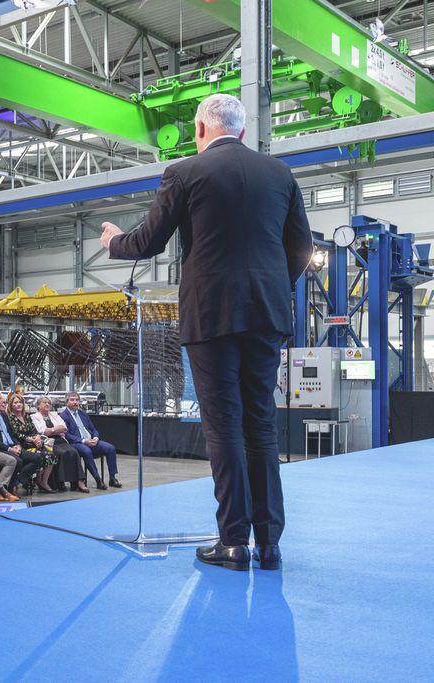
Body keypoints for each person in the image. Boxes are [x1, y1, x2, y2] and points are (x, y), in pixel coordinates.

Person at [100, 94, 313, 571]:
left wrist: (114, 241)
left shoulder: (185, 172)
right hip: (267, 316)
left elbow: (148, 241)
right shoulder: (280, 174)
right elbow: (301, 247)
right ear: (241, 131)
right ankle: (269, 544)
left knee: (223, 426)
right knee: (261, 424)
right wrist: (271, 287)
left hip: (210, 315)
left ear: (200, 129)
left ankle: (233, 542)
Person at [59, 392, 120, 491]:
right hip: (77, 443)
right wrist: (83, 441)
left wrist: (95, 437)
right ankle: (98, 480)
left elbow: (93, 429)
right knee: (86, 451)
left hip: (91, 440)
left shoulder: (83, 413)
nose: (75, 402)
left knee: (110, 448)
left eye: (77, 400)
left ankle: (112, 478)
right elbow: (67, 435)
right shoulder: (63, 416)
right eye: (72, 400)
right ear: (66, 402)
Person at [0, 390, 36, 493]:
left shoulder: (4, 415)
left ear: (3, 401)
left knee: (37, 458)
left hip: (12, 445)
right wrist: (9, 449)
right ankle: (5, 489)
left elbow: (11, 434)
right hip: (0, 448)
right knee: (18, 461)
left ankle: (15, 482)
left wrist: (17, 445)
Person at [5, 394, 57, 493]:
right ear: (11, 405)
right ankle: (23, 481)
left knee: (51, 456)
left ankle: (43, 481)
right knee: (42, 456)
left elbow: (34, 430)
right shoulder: (10, 418)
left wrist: (37, 437)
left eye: (20, 402)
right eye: (16, 403)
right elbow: (16, 434)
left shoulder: (27, 416)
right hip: (21, 445)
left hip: (33, 443)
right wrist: (32, 440)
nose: (19, 404)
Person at [31, 397, 84, 492]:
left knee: (74, 452)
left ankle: (76, 482)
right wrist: (55, 429)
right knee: (61, 453)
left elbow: (64, 428)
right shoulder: (34, 417)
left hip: (61, 440)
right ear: (38, 406)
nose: (47, 404)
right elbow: (42, 431)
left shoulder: (54, 414)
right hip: (48, 442)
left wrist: (51, 430)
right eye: (44, 402)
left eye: (48, 403)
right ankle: (59, 482)